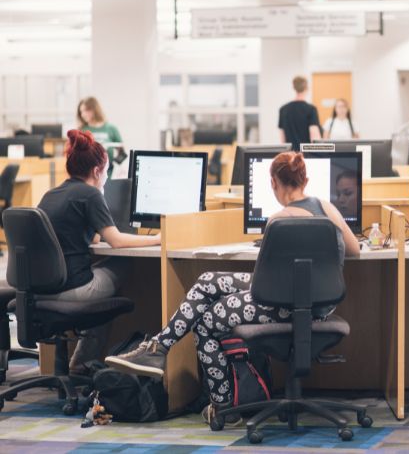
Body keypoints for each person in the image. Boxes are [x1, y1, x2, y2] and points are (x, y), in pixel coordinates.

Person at [104, 151, 360, 423]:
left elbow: (266, 282)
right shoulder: (327, 208)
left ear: (273, 183)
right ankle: (159, 348)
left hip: (284, 304)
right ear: (305, 179)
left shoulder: (278, 221)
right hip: (320, 303)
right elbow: (354, 250)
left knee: (205, 322)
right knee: (208, 280)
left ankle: (222, 405)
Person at [38, 129, 161, 375]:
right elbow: (115, 241)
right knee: (122, 266)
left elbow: (90, 236)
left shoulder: (51, 194)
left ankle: (83, 361)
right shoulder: (90, 194)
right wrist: (158, 239)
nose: (106, 176)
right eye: (105, 171)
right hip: (71, 290)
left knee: (100, 272)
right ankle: (84, 361)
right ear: (96, 171)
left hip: (40, 290)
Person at [77, 97, 123, 174]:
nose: (83, 114)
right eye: (81, 112)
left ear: (94, 109)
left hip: (108, 175)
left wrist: (113, 166)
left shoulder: (111, 129)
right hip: (88, 175)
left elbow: (122, 153)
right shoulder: (81, 130)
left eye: (86, 110)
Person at [278, 76, 321, 151]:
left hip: (290, 156)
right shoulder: (311, 109)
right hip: (305, 156)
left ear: (294, 87)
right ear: (306, 88)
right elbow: (314, 137)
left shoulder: (283, 109)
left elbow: (282, 139)